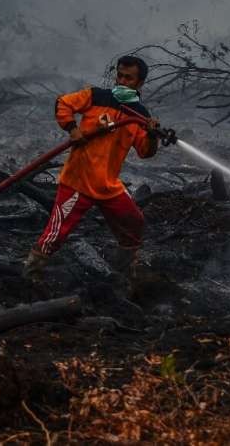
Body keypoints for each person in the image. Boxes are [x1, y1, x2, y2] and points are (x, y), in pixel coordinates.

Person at [22, 55, 160, 288]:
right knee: (55, 234)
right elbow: (63, 103)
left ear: (140, 83)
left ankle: (123, 275)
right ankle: (29, 277)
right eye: (120, 75)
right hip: (78, 181)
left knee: (134, 222)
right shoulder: (96, 96)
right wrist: (72, 128)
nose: (122, 81)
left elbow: (145, 151)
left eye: (129, 78)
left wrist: (153, 135)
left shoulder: (139, 115)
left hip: (107, 184)